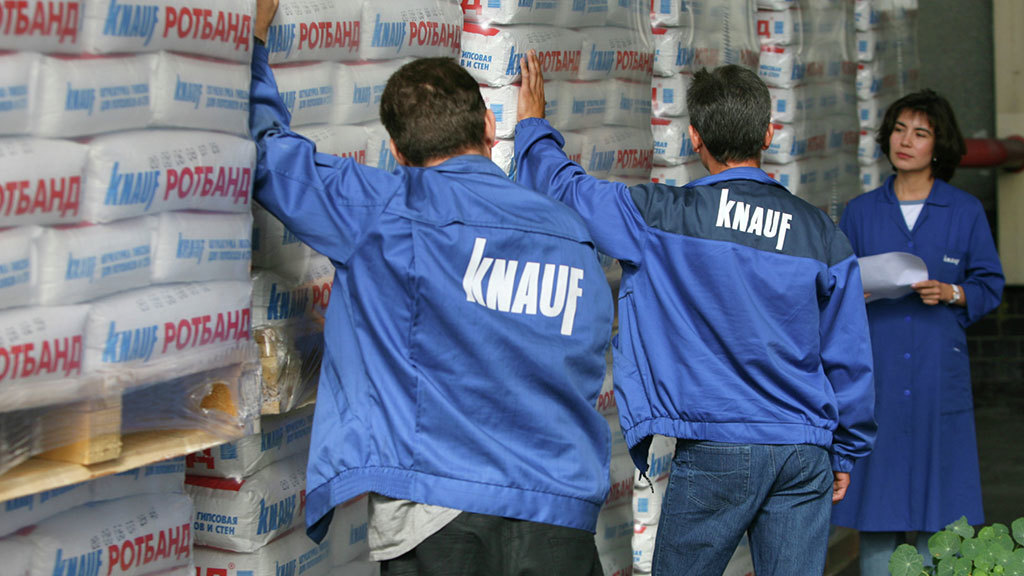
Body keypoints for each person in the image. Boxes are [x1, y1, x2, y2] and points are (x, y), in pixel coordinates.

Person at [250, 3, 614, 574]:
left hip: (437, 511)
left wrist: (252, 43)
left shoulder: (384, 208)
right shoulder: (569, 232)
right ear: (489, 127)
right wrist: (535, 133)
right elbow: (587, 352)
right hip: (558, 515)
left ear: (398, 154)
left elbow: (272, 157)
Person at [514, 54, 877, 575]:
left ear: (694, 138)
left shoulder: (661, 216)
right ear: (768, 134)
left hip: (716, 447)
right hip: (803, 450)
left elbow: (568, 192)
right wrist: (844, 450)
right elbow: (850, 355)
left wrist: (533, 128)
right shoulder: (822, 235)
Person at [831, 89, 1005, 575]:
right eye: (899, 130)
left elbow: (989, 283)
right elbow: (836, 285)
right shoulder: (862, 211)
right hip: (878, 372)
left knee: (942, 508)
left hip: (936, 371)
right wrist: (855, 293)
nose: (905, 141)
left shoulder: (964, 210)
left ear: (938, 145)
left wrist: (953, 292)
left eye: (920, 133)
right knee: (877, 507)